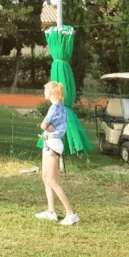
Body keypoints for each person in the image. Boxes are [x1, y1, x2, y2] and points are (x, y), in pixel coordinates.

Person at [35, 81, 80, 226]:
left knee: (52, 180)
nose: (44, 92)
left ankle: (71, 213)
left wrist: (48, 128)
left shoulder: (54, 108)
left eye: (46, 90)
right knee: (45, 177)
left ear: (53, 92)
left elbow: (43, 125)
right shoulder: (62, 108)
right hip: (51, 142)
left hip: (52, 143)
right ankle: (51, 211)